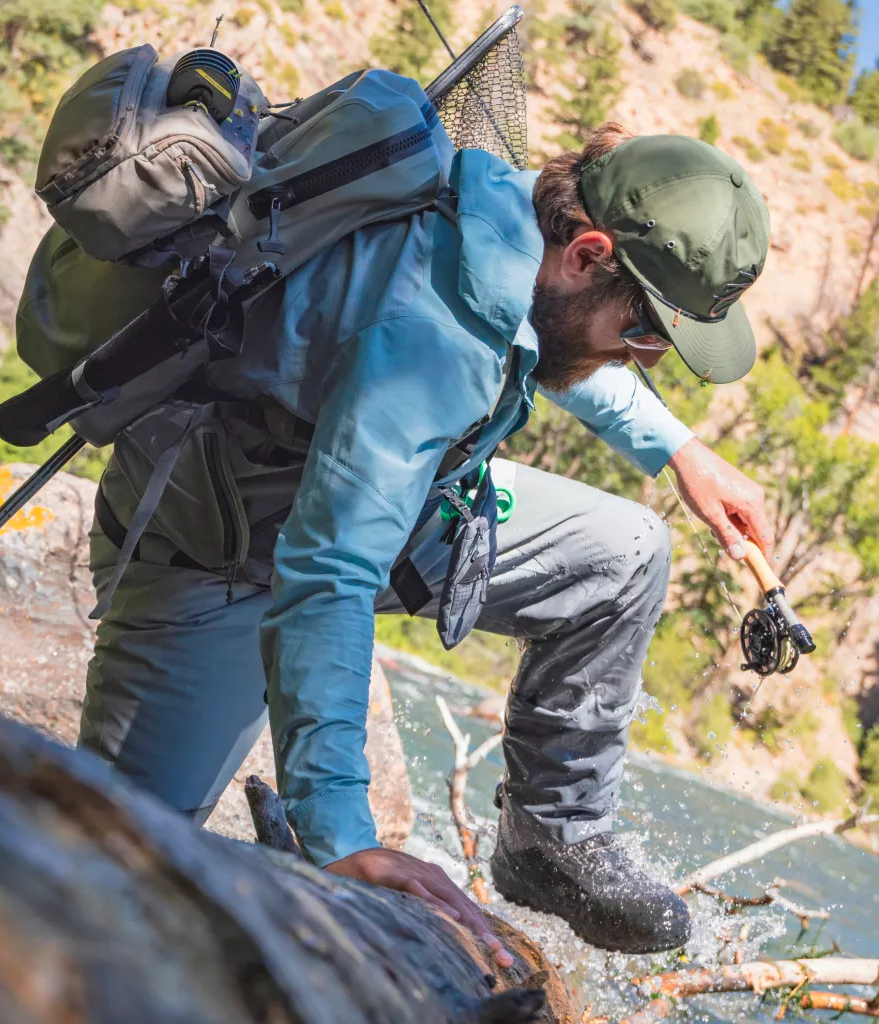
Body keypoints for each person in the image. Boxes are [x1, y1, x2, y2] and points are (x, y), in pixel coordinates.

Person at [78, 122, 773, 959]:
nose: (644, 358)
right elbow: (327, 572)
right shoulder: (431, 334)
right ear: (587, 254)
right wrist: (341, 837)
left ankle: (550, 842)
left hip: (393, 507)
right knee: (118, 879)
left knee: (622, 553)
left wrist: (681, 450)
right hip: (219, 556)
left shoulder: (506, 216)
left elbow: (540, 331)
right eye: (647, 333)